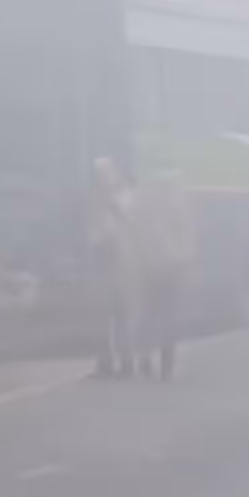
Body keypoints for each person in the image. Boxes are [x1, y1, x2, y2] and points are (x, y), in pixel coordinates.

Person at [131, 161, 198, 382]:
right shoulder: (178, 201)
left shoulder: (148, 199)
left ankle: (149, 359)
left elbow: (139, 230)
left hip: (156, 265)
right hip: (167, 265)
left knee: (153, 313)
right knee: (166, 315)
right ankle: (163, 364)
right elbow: (188, 236)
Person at [88, 157, 141, 378]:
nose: (103, 178)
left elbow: (132, 224)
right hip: (102, 260)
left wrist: (111, 204)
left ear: (117, 174)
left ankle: (127, 362)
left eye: (107, 173)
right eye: (99, 174)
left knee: (123, 314)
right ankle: (105, 362)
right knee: (101, 315)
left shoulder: (127, 196)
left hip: (124, 262)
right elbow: (94, 229)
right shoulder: (95, 200)